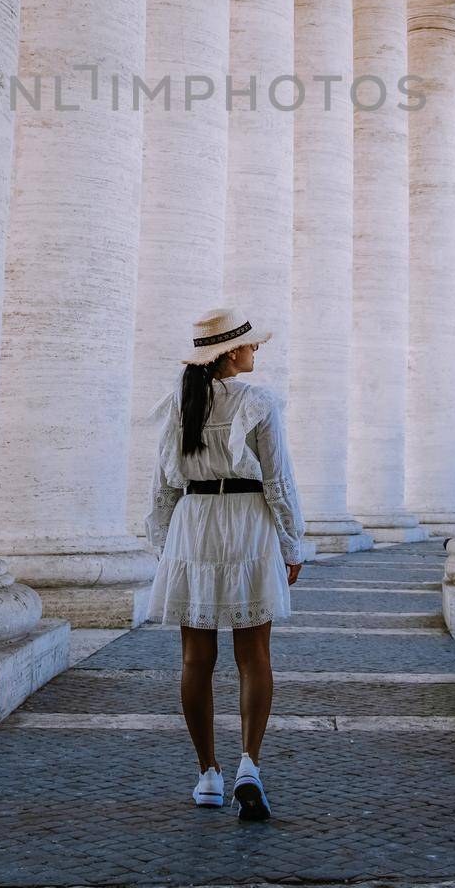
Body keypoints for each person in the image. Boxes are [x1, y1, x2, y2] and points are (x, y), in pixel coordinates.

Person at [144, 306, 306, 820]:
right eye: (251, 344)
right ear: (231, 352)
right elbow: (278, 481)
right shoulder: (258, 402)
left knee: (195, 658)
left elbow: (163, 484)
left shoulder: (179, 403)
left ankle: (207, 775)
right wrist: (292, 543)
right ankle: (249, 765)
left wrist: (164, 544)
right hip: (247, 523)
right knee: (254, 654)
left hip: (194, 524)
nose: (256, 350)